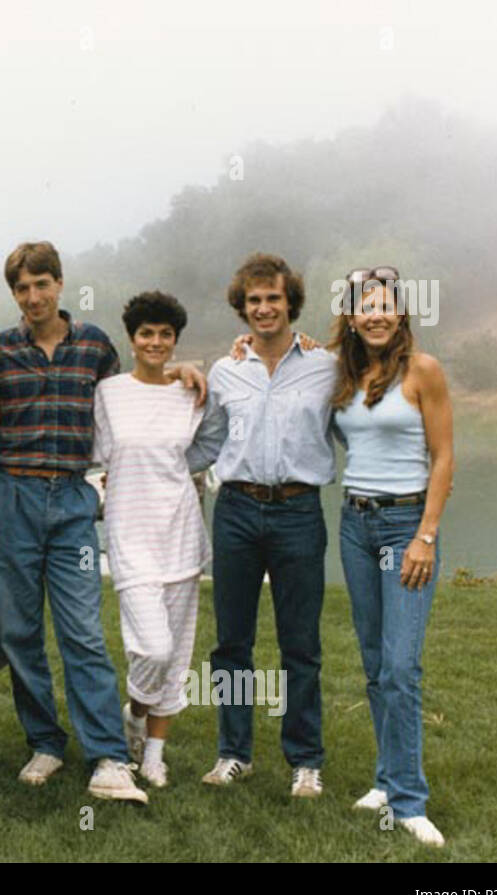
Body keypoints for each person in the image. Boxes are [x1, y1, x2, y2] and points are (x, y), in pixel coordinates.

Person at [0, 240, 204, 804]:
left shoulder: (96, 346)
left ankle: (107, 754)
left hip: (73, 501)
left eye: (41, 284)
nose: (33, 297)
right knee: (19, 633)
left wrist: (178, 369)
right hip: (14, 499)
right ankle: (46, 742)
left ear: (59, 284)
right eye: (22, 288)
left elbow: (133, 397)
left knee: (81, 631)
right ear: (14, 294)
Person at [186, 252, 336, 798]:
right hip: (238, 513)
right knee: (232, 643)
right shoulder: (226, 371)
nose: (264, 308)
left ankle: (305, 760)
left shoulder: (326, 366)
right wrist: (151, 468)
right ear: (242, 308)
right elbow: (207, 442)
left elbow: (354, 429)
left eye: (273, 298)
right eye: (254, 300)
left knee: (301, 644)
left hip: (299, 512)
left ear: (289, 302)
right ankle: (234, 754)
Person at [332, 266, 454, 847]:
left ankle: (409, 800)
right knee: (376, 661)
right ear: (351, 317)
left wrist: (425, 535)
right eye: (363, 307)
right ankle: (386, 778)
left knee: (401, 667)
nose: (374, 315)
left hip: (406, 524)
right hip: (354, 523)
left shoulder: (422, 371)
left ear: (400, 312)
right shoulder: (343, 374)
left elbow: (445, 456)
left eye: (384, 305)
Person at [93, 291, 209, 789]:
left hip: (182, 535)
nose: (156, 342)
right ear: (132, 339)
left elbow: (209, 448)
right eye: (147, 334)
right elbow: (97, 460)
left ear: (175, 340)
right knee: (153, 648)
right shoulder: (109, 393)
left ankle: (155, 753)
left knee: (178, 652)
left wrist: (193, 371)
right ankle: (135, 715)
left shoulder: (190, 393)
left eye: (165, 334)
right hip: (129, 537)